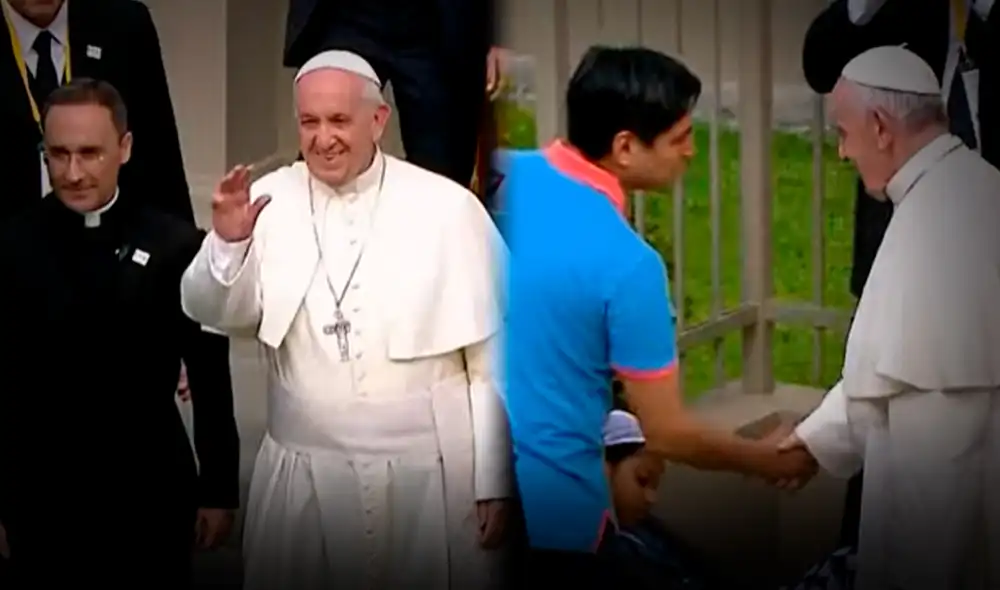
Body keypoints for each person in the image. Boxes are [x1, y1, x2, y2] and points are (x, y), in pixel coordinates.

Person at [179, 50, 512, 590]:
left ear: (378, 120)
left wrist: (494, 478)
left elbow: (492, 361)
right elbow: (212, 311)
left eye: (339, 120)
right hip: (302, 479)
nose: (322, 138)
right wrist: (228, 242)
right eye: (309, 122)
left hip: (427, 480)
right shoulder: (267, 200)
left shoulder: (447, 208)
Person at [496, 45, 817, 587]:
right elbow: (666, 432)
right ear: (625, 147)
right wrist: (768, 460)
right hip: (564, 522)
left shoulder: (502, 177)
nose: (693, 151)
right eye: (680, 138)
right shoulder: (629, 266)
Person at [0, 78, 239, 587]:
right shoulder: (13, 243)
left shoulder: (175, 244)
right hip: (41, 493)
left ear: (124, 148)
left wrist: (218, 489)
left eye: (90, 153)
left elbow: (209, 371)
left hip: (148, 488)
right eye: (58, 155)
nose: (73, 172)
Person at [778, 46, 1000, 590]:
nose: (841, 152)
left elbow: (918, 421)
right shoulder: (975, 183)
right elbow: (886, 373)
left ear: (880, 128)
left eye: (843, 133)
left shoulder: (936, 215)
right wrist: (813, 439)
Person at [282, 0, 504, 188]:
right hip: (346, 13)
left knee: (442, 173)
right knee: (325, 145)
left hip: (433, 20)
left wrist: (490, 36)